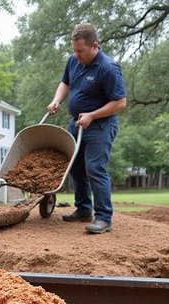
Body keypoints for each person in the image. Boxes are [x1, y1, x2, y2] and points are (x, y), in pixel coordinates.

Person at [47, 23, 126, 234]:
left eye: (80, 51)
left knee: (94, 167)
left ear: (94, 46)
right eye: (74, 50)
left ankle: (103, 218)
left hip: (101, 125)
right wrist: (57, 100)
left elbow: (120, 103)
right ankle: (83, 210)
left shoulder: (108, 68)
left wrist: (92, 115)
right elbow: (65, 83)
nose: (76, 55)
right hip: (77, 122)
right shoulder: (73, 61)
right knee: (74, 166)